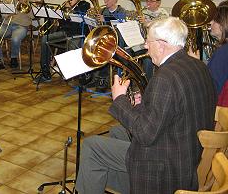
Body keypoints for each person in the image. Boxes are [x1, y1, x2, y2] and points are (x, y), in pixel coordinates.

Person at [75, 17, 216, 194]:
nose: (145, 46)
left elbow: (145, 134)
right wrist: (144, 103)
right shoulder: (197, 65)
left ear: (161, 44)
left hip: (167, 167)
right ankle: (112, 180)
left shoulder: (165, 77)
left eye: (148, 42)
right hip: (188, 150)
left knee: (92, 146)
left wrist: (119, 99)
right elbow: (174, 109)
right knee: (117, 132)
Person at [34, 0, 90, 83]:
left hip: (76, 34)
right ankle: (45, 73)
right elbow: (60, 20)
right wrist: (60, 12)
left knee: (71, 44)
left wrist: (74, 8)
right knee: (45, 39)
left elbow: (81, 20)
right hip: (64, 32)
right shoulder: (66, 3)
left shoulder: (85, 5)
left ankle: (71, 72)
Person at [138, 0, 170, 80]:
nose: (148, 3)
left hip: (157, 44)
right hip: (142, 42)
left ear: (158, 3)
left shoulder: (163, 14)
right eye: (147, 1)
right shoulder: (142, 12)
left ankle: (147, 84)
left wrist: (147, 23)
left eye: (151, 1)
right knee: (127, 54)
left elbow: (160, 25)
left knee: (148, 60)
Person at [203, 3, 228, 106]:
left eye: (215, 20)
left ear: (224, 24)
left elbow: (210, 88)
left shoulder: (223, 52)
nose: (211, 22)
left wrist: (196, 65)